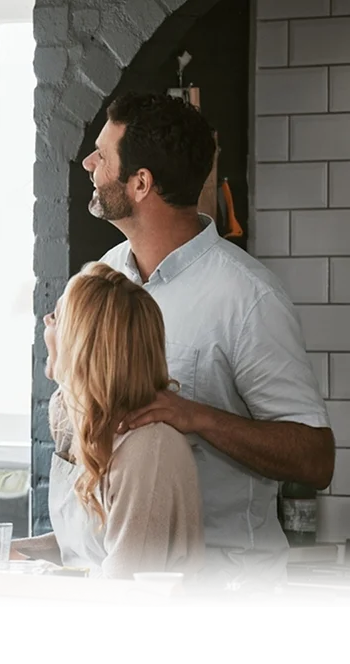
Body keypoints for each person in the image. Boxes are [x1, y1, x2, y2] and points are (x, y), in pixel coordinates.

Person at [80, 90, 335, 585]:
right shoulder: (101, 279)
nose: (88, 163)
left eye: (103, 155)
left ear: (140, 183)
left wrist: (195, 416)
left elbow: (316, 458)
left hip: (225, 588)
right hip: (114, 580)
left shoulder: (247, 297)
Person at [12, 262, 205, 580]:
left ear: (81, 346)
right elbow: (84, 542)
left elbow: (124, 584)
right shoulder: (86, 425)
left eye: (56, 317)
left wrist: (34, 570)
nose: (46, 322)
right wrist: (1, 551)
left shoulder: (148, 447)